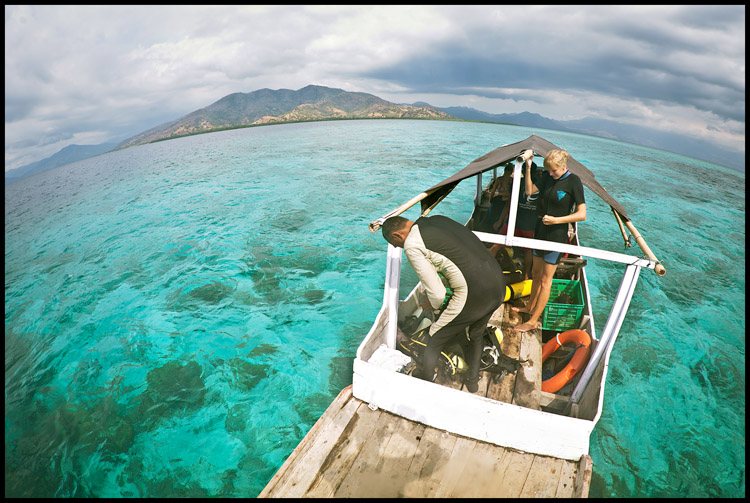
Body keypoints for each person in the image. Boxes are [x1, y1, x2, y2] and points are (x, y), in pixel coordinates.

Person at [381, 214, 506, 392]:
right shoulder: (436, 220)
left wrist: (430, 304)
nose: (400, 247)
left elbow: (438, 295)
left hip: (476, 292)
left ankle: (426, 379)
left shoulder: (412, 244)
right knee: (476, 333)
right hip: (498, 284)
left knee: (435, 336)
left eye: (397, 245)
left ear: (397, 236)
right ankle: (472, 382)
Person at [513, 150, 586, 332]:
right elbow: (530, 191)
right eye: (549, 171)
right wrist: (528, 166)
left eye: (554, 171)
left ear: (563, 166)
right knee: (535, 274)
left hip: (557, 235)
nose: (551, 174)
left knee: (546, 280)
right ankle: (529, 308)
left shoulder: (574, 182)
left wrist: (556, 220)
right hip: (541, 231)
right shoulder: (547, 177)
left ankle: (533, 321)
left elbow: (582, 214)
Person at [488, 159, 541, 280]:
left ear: (523, 171)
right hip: (529, 224)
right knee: (528, 251)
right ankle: (527, 275)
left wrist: (500, 221)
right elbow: (542, 205)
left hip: (513, 221)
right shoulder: (540, 184)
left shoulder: (518, 182)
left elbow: (509, 204)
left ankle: (487, 269)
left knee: (496, 245)